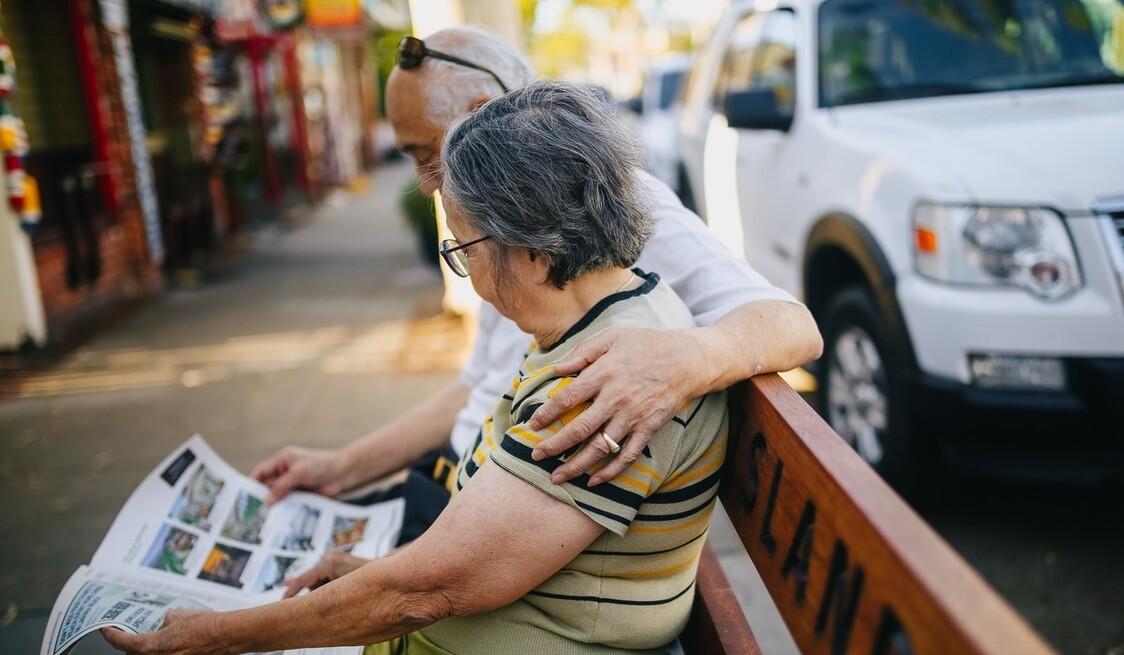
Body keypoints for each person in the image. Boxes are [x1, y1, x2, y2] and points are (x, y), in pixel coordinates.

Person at [105, 80, 733, 655]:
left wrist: (211, 636)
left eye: (464, 248)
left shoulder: (598, 384)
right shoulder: (622, 311)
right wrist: (375, 573)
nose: (472, 277)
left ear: (537, 253)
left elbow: (427, 593)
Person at [250, 26, 821, 531]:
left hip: (490, 512)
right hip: (456, 485)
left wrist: (683, 360)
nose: (425, 184)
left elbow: (794, 326)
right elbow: (474, 391)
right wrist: (337, 469)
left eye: (427, 155)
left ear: (478, 113)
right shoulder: (495, 224)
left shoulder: (605, 201)